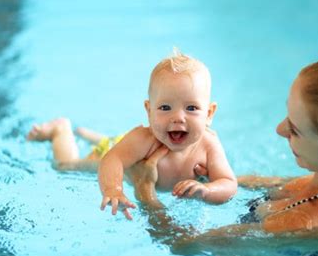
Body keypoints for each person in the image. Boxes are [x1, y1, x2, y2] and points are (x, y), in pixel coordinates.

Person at [131, 55, 318, 237]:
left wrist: (145, 191)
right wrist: (220, 180)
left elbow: (184, 245)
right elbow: (291, 185)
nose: (279, 129)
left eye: (294, 129)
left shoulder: (302, 222)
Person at [27, 50, 237, 220]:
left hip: (126, 146)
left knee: (119, 143)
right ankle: (60, 130)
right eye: (165, 107)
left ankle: (94, 136)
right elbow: (113, 159)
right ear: (149, 111)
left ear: (209, 114)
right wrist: (113, 188)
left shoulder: (209, 144)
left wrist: (207, 190)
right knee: (66, 166)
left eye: (191, 108)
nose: (178, 118)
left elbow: (228, 182)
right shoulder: (144, 139)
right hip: (117, 149)